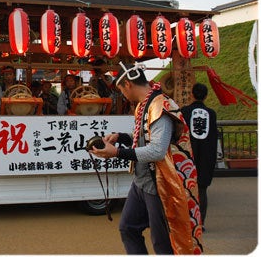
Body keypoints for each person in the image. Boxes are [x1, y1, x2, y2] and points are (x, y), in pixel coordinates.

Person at [89, 62, 202, 255]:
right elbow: (144, 137)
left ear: (128, 85)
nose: (123, 94)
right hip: (142, 181)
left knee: (163, 243)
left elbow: (157, 151)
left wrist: (116, 153)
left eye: (121, 89)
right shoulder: (144, 105)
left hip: (160, 184)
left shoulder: (160, 105)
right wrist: (121, 137)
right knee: (128, 228)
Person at [181, 83, 218, 230]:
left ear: (192, 94)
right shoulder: (211, 113)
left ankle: (186, 222)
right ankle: (200, 223)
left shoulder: (185, 111)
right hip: (206, 157)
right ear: (206, 96)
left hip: (188, 157)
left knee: (185, 189)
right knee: (202, 190)